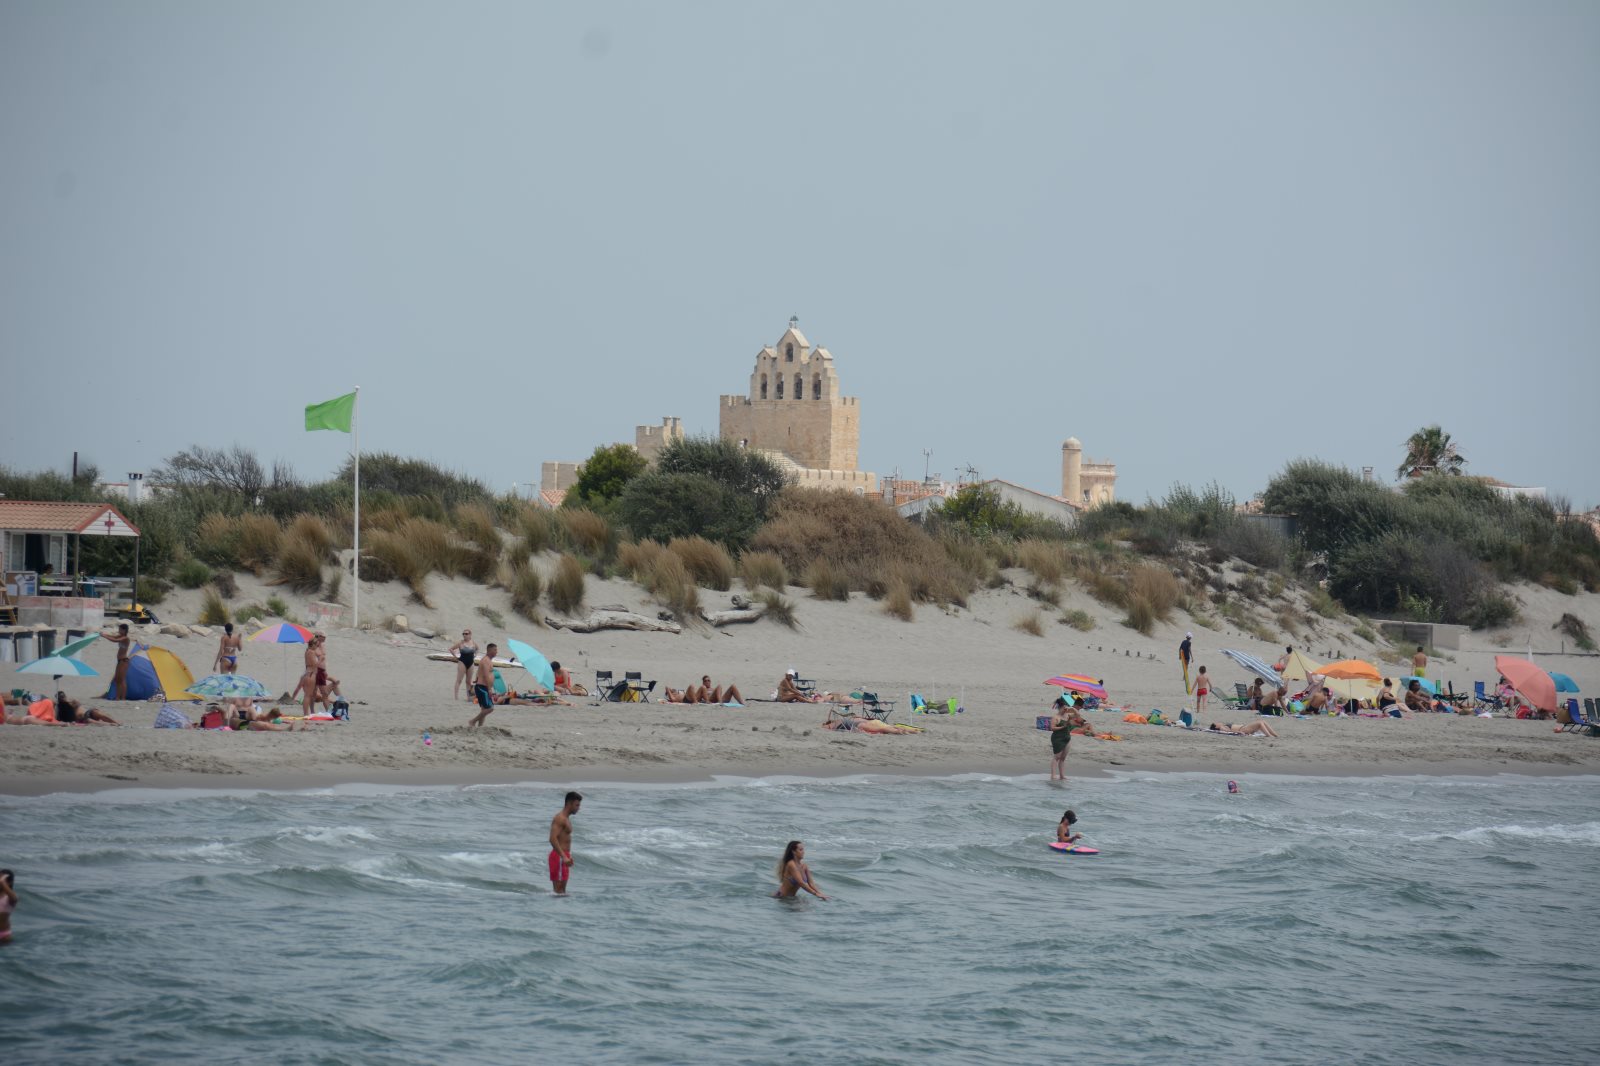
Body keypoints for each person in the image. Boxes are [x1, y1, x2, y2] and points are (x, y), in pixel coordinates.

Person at [549, 791, 581, 894]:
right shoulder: (560, 818)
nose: (578, 808)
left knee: (562, 892)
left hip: (564, 856)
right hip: (559, 857)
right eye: (577, 805)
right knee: (559, 892)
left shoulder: (566, 819)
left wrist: (567, 856)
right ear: (569, 803)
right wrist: (563, 856)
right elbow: (552, 839)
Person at [1049, 695, 1086, 781]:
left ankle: (1062, 776)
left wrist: (1073, 709)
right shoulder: (1056, 717)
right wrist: (1062, 727)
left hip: (1067, 737)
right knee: (1057, 757)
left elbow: (1078, 716)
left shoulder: (1068, 715)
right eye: (1063, 708)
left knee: (1063, 758)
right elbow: (1052, 728)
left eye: (1066, 708)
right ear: (1059, 708)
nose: (1065, 710)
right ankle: (1053, 775)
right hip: (1057, 738)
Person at [466, 643, 500, 727]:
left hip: (484, 687)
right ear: (489, 650)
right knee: (490, 708)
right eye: (495, 650)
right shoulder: (485, 661)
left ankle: (480, 727)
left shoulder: (488, 660)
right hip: (482, 687)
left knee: (484, 709)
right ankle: (472, 721)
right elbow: (486, 675)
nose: (497, 651)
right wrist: (489, 689)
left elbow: (480, 673)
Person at [100, 623, 131, 700]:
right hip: (120, 661)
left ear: (124, 630)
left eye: (120, 629)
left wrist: (104, 636)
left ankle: (123, 698)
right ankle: (117, 697)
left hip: (124, 661)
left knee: (122, 679)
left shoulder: (125, 638)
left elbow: (115, 640)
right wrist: (103, 634)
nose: (119, 630)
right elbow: (113, 637)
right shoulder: (120, 636)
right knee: (117, 679)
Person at [54, 692, 120, 725]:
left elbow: (77, 704)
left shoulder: (71, 701)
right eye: (60, 697)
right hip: (82, 719)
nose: (62, 697)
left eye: (63, 696)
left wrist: (70, 703)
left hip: (87, 712)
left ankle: (116, 723)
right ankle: (110, 724)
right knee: (92, 721)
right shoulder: (59, 707)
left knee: (98, 713)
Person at [449, 629, 479, 701]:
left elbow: (477, 649)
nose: (464, 635)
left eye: (466, 634)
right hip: (462, 662)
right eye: (463, 634)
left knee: (468, 681)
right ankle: (456, 697)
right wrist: (455, 656)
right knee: (459, 680)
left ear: (470, 634)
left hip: (471, 663)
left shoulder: (473, 643)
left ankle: (469, 697)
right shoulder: (460, 643)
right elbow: (451, 649)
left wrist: (475, 655)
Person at [1210, 720, 1280, 738]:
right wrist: (1239, 732)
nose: (1218, 722)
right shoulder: (1221, 727)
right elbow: (1229, 731)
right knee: (1260, 723)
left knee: (1262, 721)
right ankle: (1269, 735)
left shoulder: (1223, 726)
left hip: (1244, 728)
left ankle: (1275, 735)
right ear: (1216, 727)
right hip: (1243, 729)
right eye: (1217, 723)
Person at [0, 869, 16, 943]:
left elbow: (15, 899)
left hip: (4, 936)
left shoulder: (9, 898)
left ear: (9, 882)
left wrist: (2, 882)